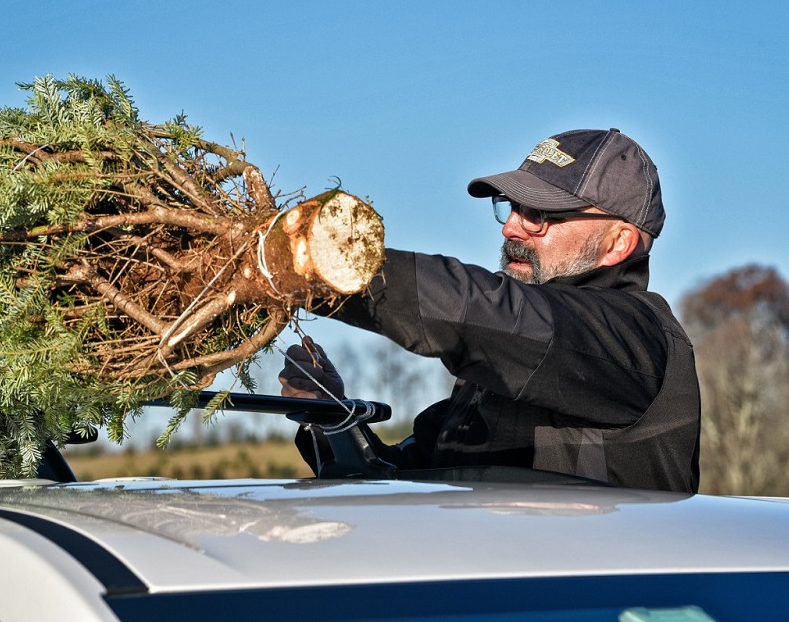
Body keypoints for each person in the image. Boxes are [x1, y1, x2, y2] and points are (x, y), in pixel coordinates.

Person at [279, 128, 701, 493]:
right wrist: (328, 414)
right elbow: (393, 483)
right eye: (511, 206)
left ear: (617, 243)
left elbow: (481, 309)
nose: (510, 227)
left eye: (538, 214)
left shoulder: (632, 337)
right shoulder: (499, 371)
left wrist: (299, 267)